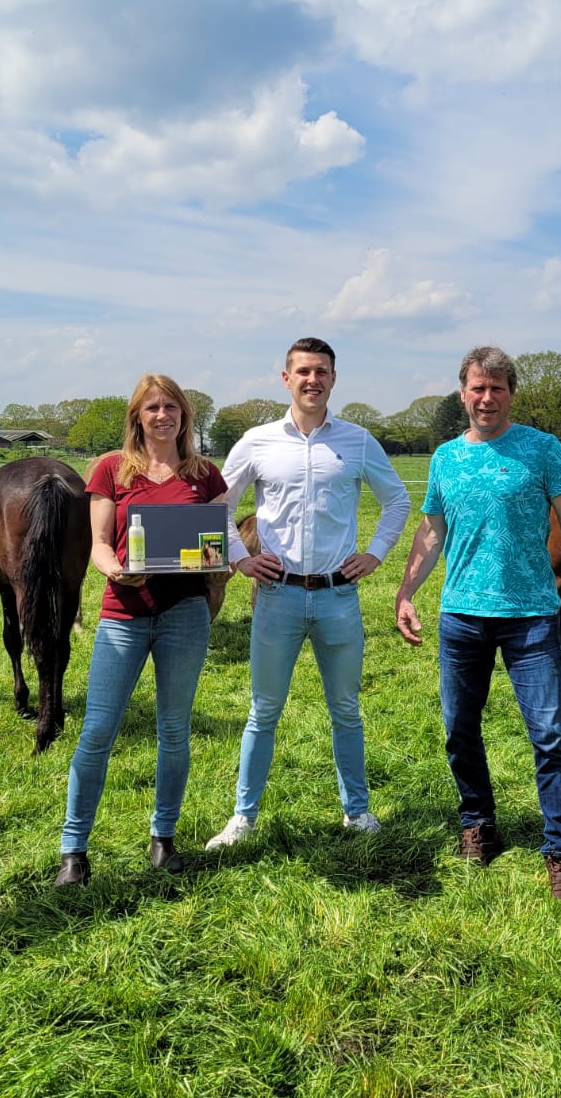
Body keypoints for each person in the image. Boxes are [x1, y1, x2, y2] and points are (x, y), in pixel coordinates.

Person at [394, 346, 561, 901]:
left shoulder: (541, 449)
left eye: (498, 388)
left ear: (511, 393)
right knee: (460, 730)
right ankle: (478, 823)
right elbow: (432, 529)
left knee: (551, 735)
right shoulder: (444, 459)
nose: (487, 398)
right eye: (477, 388)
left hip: (532, 615)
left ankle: (560, 850)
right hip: (461, 616)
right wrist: (406, 591)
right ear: (462, 392)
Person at [205, 337, 412, 848]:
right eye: (302, 371)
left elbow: (398, 501)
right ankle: (243, 817)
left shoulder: (358, 441)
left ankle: (357, 812)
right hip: (277, 598)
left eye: (321, 371)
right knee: (263, 711)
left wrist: (377, 553)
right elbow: (216, 509)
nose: (312, 380)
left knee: (345, 709)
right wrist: (240, 558)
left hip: (339, 597)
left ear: (333, 379)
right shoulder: (256, 441)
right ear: (285, 378)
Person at [55, 374, 227, 886]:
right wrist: (115, 571)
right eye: (152, 407)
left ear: (184, 416)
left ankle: (163, 838)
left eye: (171, 406)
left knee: (174, 731)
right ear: (137, 416)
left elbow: (215, 548)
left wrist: (215, 564)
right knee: (97, 731)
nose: (162, 415)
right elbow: (100, 544)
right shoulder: (111, 470)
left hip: (184, 616)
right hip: (123, 614)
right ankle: (74, 850)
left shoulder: (204, 476)